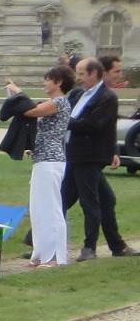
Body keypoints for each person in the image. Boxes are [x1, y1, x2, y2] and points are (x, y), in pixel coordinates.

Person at [61, 54, 129, 259]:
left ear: (94, 74)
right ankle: (117, 246)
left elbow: (96, 125)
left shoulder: (107, 97)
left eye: (82, 73)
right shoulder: (76, 94)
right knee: (102, 200)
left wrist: (64, 120)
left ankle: (89, 247)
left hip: (88, 157)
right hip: (72, 155)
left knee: (90, 202)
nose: (78, 77)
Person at [19, 66, 74, 267]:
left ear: (58, 82)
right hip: (42, 159)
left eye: (48, 79)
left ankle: (56, 256)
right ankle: (41, 253)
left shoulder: (59, 102)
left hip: (51, 159)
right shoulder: (54, 103)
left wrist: (18, 94)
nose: (45, 83)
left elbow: (31, 111)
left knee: (51, 208)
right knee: (38, 208)